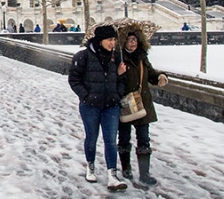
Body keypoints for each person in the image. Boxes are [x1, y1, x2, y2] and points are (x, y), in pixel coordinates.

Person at [68, 25, 128, 191]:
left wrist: (117, 93)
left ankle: (112, 175)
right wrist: (85, 96)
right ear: (100, 40)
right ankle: (90, 165)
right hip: (90, 106)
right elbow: (74, 79)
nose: (112, 43)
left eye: (114, 40)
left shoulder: (116, 57)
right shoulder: (83, 56)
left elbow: (122, 81)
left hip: (111, 105)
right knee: (92, 137)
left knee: (110, 140)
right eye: (109, 39)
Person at [117, 31, 168, 186]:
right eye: (129, 40)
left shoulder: (142, 56)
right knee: (124, 139)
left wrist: (159, 76)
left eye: (135, 40)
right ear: (123, 42)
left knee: (144, 139)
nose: (133, 43)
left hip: (141, 103)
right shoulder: (117, 58)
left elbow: (150, 73)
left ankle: (144, 173)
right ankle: (126, 168)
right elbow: (110, 79)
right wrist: (118, 73)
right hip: (125, 103)